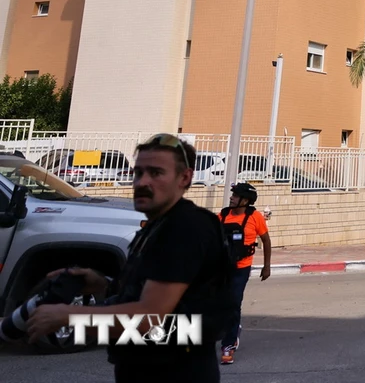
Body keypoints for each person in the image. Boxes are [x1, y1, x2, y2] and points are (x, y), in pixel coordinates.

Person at [25, 134, 232, 383]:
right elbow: (157, 295)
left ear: (184, 178)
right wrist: (103, 283)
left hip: (174, 372)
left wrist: (69, 316)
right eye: (138, 172)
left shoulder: (185, 227)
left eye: (156, 173)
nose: (142, 182)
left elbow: (149, 318)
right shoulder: (157, 226)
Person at [218, 181, 271, 364]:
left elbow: (266, 240)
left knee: (233, 302)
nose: (231, 198)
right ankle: (232, 328)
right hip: (222, 267)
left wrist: (267, 266)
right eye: (232, 195)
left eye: (235, 196)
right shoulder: (223, 215)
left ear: (245, 200)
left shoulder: (255, 217)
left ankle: (229, 345)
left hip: (242, 267)